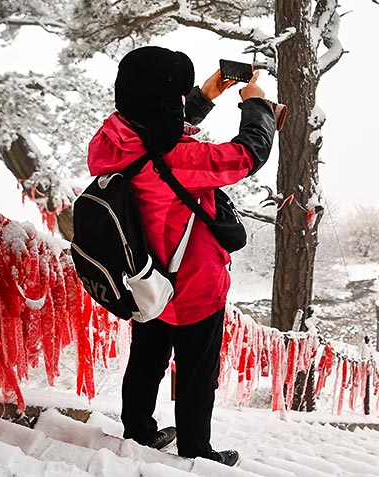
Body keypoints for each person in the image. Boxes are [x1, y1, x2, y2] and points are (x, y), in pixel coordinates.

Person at [88, 47, 275, 466]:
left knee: (145, 362)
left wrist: (204, 97)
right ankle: (196, 451)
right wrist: (257, 102)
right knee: (196, 374)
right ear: (164, 104)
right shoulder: (180, 160)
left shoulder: (110, 139)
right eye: (176, 99)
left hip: (146, 280)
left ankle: (138, 432)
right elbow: (248, 154)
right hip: (193, 288)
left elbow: (155, 127)